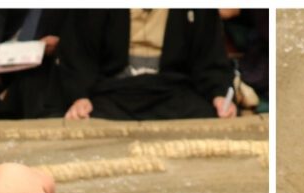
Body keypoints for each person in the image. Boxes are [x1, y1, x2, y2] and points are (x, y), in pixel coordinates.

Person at [58, 9, 237, 121]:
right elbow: (78, 51)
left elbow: (210, 57)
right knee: (85, 119)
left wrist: (219, 94)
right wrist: (79, 96)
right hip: (113, 91)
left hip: (173, 90)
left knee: (206, 117)